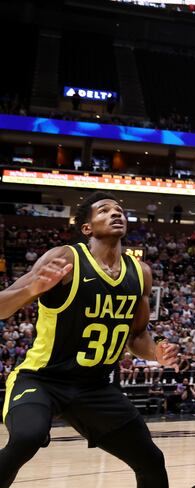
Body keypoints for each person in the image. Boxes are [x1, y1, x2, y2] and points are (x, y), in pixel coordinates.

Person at [0, 191, 179, 488]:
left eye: (119, 210)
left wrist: (156, 354)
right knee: (26, 438)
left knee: (151, 461)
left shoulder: (141, 273)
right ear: (86, 228)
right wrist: (30, 291)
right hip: (42, 379)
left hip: (95, 387)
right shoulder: (65, 258)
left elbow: (136, 336)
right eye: (105, 210)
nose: (115, 213)